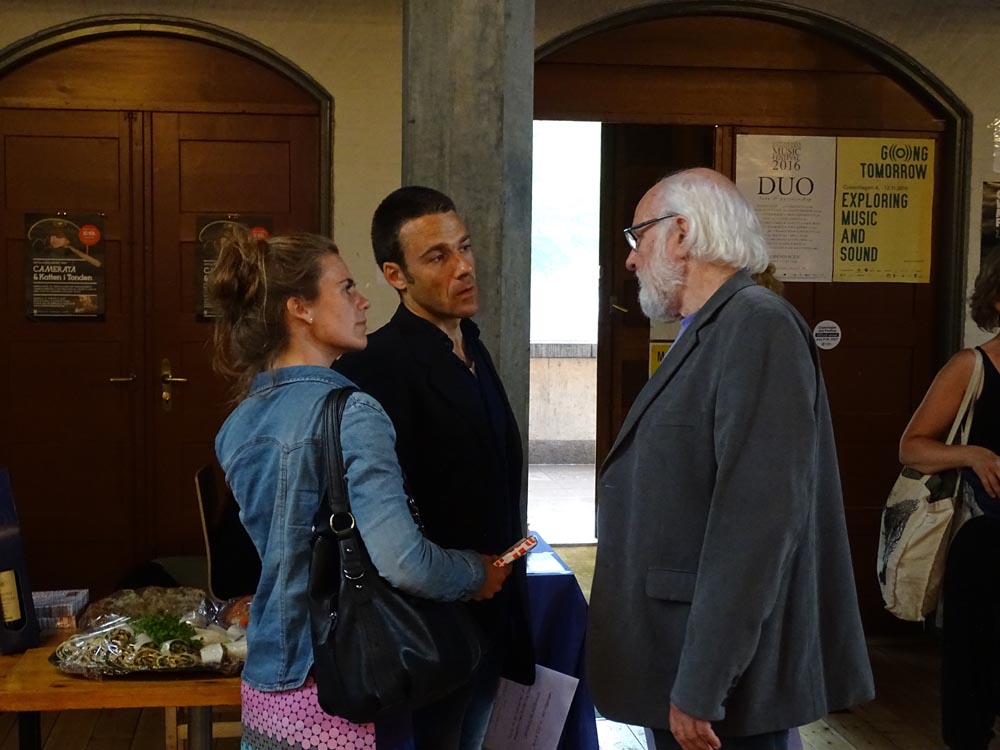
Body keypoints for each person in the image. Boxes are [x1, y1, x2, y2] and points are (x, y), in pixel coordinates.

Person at [586, 168, 875, 750]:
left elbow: (755, 528)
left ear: (682, 234)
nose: (632, 259)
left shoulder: (758, 326)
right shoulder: (711, 328)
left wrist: (703, 684)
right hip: (678, 651)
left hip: (718, 680)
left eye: (638, 237)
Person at [209, 232, 510, 750]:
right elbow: (403, 561)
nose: (363, 300)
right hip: (345, 680)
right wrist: (475, 573)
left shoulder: (237, 424)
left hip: (267, 680)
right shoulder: (355, 412)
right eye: (346, 287)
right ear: (300, 308)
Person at [335, 186, 534, 750]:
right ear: (395, 275)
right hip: (427, 631)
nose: (463, 266)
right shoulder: (377, 366)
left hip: (494, 613)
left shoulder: (471, 344)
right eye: (438, 256)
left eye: (463, 247)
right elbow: (378, 519)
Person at [899, 250, 1000, 750]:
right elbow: (911, 446)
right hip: (985, 541)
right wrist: (972, 454)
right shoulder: (971, 366)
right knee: (974, 679)